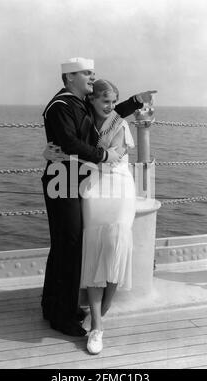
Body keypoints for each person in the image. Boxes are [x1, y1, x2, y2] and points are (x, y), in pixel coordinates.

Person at [41, 57, 154, 337]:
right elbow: (69, 143)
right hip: (63, 179)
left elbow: (107, 114)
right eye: (86, 73)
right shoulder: (61, 106)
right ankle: (62, 317)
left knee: (66, 246)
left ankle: (55, 306)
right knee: (68, 245)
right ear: (69, 78)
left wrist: (135, 101)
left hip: (72, 178)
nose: (92, 76)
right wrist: (105, 155)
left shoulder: (77, 103)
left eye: (92, 73)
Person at [79, 79, 136, 354]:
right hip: (94, 190)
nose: (111, 106)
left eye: (114, 101)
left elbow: (115, 155)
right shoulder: (84, 121)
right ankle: (98, 326)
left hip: (120, 189)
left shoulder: (121, 125)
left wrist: (79, 153)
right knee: (93, 252)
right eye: (105, 100)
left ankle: (98, 316)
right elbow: (88, 152)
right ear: (92, 100)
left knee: (115, 249)